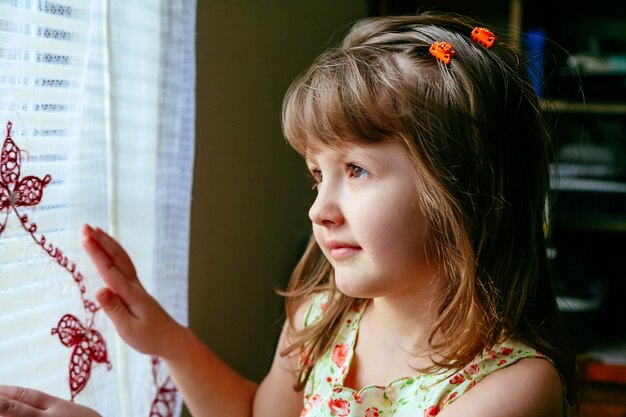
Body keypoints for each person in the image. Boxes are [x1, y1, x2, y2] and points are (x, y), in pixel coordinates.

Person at [0, 11, 577, 417]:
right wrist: (168, 340)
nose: (319, 209)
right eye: (315, 175)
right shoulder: (322, 317)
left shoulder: (512, 389)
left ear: (466, 184)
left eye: (356, 171)